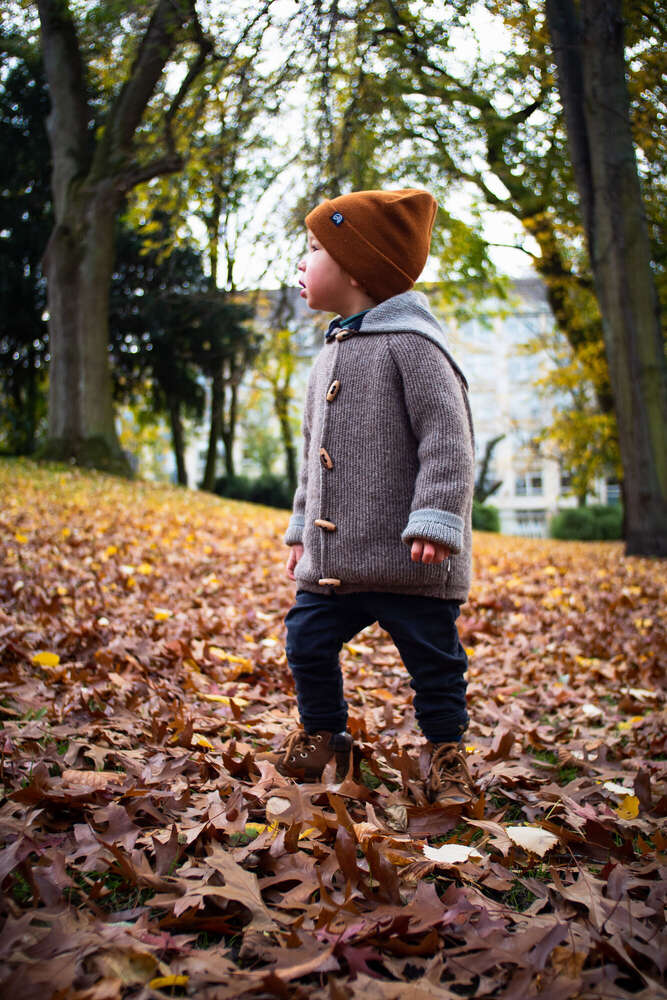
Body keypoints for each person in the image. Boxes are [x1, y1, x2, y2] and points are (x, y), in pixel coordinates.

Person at [257, 189, 475, 806]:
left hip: (415, 558)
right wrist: (302, 532)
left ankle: (446, 752)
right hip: (340, 560)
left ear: (357, 269)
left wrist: (436, 517)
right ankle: (326, 736)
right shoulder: (329, 352)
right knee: (305, 638)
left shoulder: (414, 344)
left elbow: (448, 438)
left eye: (315, 249)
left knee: (435, 661)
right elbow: (313, 459)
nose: (301, 264)